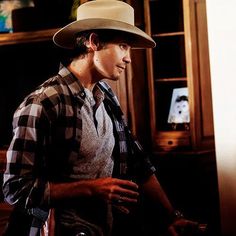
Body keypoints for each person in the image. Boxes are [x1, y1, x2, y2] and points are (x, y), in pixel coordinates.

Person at [2, 0, 199, 235]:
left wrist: (171, 217)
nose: (128, 57)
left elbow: (139, 163)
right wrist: (91, 189)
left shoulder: (106, 96)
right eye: (123, 46)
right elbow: (16, 189)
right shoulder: (43, 103)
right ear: (94, 42)